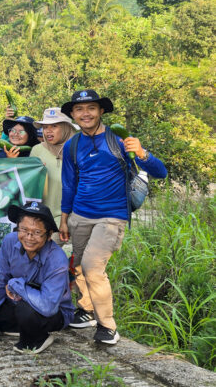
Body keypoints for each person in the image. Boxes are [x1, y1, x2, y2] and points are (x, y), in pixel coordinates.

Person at [59, 89, 167, 344]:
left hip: (111, 216)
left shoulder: (118, 140)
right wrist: (64, 219)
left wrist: (142, 153)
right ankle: (86, 309)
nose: (85, 113)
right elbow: (69, 185)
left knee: (93, 267)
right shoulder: (72, 145)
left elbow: (160, 172)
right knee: (78, 265)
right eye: (79, 109)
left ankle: (107, 326)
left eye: (91, 108)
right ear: (73, 114)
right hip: (80, 214)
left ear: (101, 111)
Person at [0, 201, 75, 354]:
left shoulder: (57, 259)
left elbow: (48, 306)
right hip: (18, 301)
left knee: (26, 310)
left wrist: (15, 284)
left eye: (37, 232)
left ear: (49, 235)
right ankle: (18, 328)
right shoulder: (10, 241)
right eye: (24, 229)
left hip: (53, 312)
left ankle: (39, 338)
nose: (29, 237)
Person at [30, 108, 79, 245]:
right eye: (45, 127)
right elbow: (30, 185)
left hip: (73, 219)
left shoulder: (79, 150)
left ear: (66, 128)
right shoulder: (37, 150)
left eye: (54, 126)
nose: (48, 131)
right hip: (42, 219)